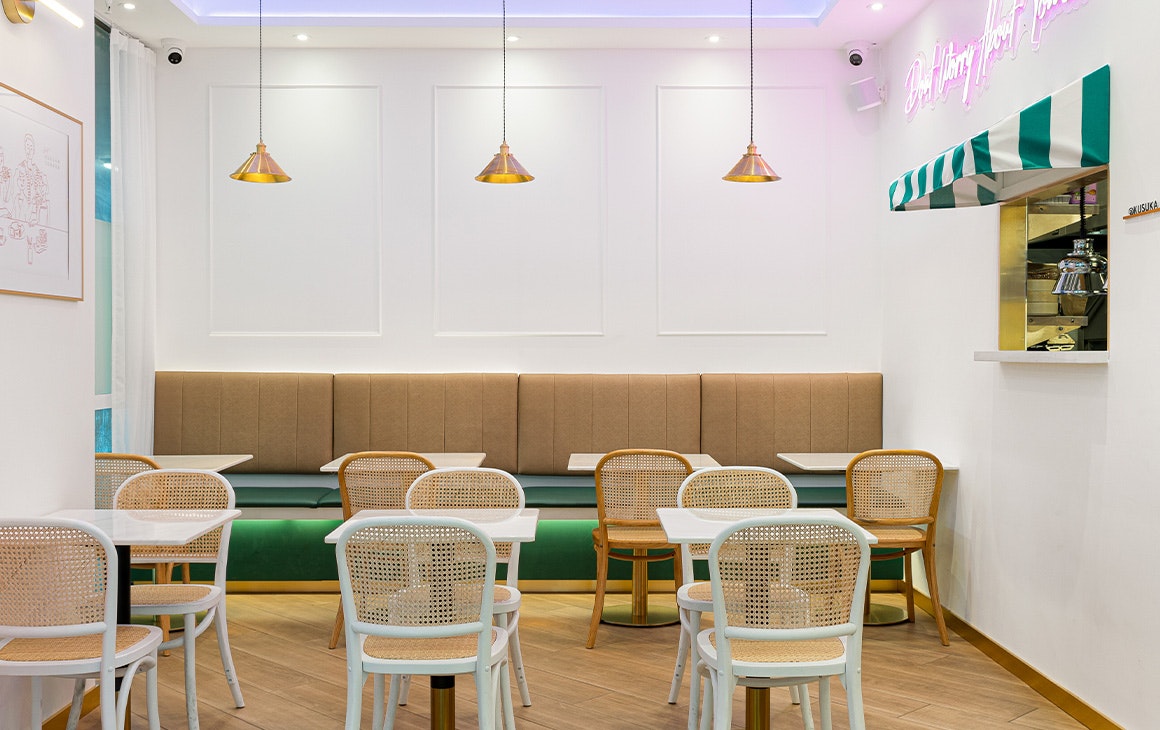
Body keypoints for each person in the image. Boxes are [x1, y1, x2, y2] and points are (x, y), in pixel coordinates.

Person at [13, 133, 48, 225]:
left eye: (31, 148)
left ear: (34, 150)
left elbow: (41, 187)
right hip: (24, 206)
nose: (29, 151)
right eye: (27, 147)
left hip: (35, 208)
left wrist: (43, 188)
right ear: (24, 149)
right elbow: (17, 187)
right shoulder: (20, 167)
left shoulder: (37, 170)